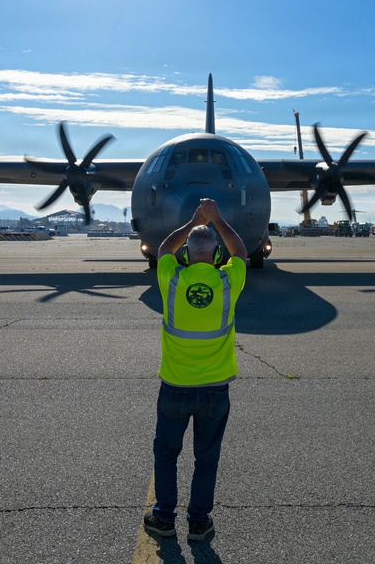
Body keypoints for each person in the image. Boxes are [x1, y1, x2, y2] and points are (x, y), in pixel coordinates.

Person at [144, 198, 248, 542]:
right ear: (217, 256)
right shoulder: (229, 280)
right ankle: (199, 522)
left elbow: (163, 248)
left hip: (175, 385)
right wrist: (217, 219)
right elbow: (241, 253)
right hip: (216, 389)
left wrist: (193, 222)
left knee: (166, 453)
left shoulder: (170, 278)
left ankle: (164, 518)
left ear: (186, 255)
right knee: (206, 458)